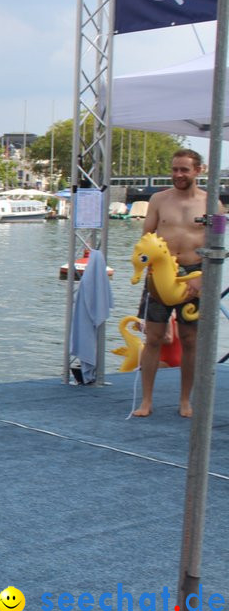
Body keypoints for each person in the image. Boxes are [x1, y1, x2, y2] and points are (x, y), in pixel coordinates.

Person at [135, 148, 214, 418]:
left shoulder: (213, 203)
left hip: (194, 274)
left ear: (198, 171)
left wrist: (204, 277)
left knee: (190, 339)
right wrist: (144, 266)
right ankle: (146, 401)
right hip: (160, 274)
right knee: (153, 337)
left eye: (184, 170)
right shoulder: (158, 199)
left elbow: (219, 245)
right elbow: (146, 237)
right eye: (175, 169)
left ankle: (185, 400)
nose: (178, 175)